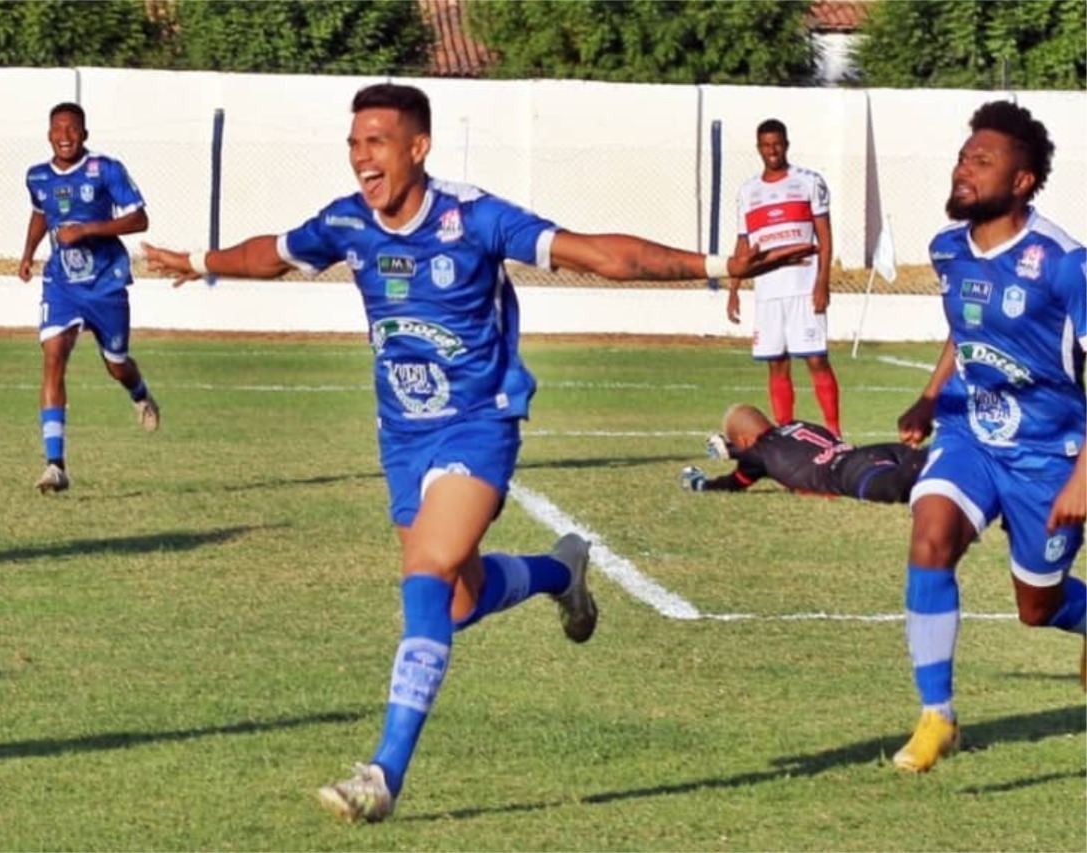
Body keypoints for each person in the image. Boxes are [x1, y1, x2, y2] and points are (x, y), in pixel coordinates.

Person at [143, 83, 814, 823]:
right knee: (455, 601)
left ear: (417, 148)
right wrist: (199, 257)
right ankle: (560, 569)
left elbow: (598, 255)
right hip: (401, 434)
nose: (362, 157)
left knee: (425, 579)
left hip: (478, 424)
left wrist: (718, 266)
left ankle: (383, 771)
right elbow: (273, 254)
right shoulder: (347, 221)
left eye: (377, 142)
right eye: (354, 142)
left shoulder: (474, 218)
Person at [892, 100, 1086, 772]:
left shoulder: (1065, 264)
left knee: (1040, 606)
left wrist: (1085, 475)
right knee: (931, 533)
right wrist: (927, 393)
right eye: (963, 156)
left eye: (983, 160)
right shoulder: (948, 251)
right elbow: (964, 329)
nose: (963, 169)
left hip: (1051, 457)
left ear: (1023, 180)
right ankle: (936, 715)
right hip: (972, 431)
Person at [18, 102, 160, 494]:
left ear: (84, 134)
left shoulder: (105, 169)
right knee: (53, 355)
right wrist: (28, 253)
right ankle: (55, 464)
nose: (65, 136)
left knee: (116, 364)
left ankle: (140, 393)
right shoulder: (37, 176)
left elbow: (139, 218)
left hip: (106, 282)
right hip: (62, 283)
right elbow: (40, 213)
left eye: (72, 129)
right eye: (58, 129)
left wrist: (88, 230)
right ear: (49, 134)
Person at [725, 119, 842, 436]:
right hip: (767, 291)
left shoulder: (809, 181)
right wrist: (734, 289)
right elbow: (743, 242)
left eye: (777, 143)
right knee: (776, 362)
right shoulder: (748, 191)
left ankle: (834, 434)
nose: (772, 150)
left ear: (786, 144)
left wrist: (822, 282)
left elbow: (825, 236)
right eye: (765, 145)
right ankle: (786, 433)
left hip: (803, 287)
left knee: (816, 359)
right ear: (758, 148)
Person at [679, 403, 927, 502]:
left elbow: (734, 483)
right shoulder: (794, 425)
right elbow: (793, 451)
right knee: (934, 461)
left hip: (848, 473)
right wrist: (731, 451)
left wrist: (702, 485)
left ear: (744, 440)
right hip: (870, 452)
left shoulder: (758, 455)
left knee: (898, 487)